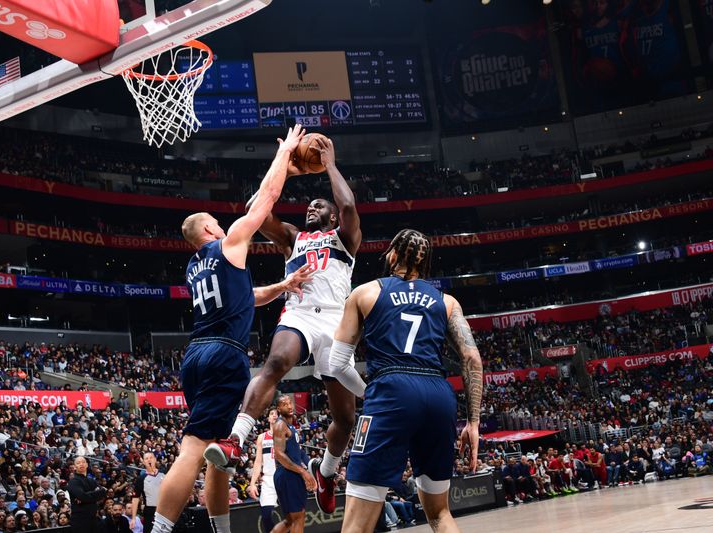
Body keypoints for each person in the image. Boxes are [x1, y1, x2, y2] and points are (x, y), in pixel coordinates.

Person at [150, 125, 310, 533]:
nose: (225, 226)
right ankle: (159, 530)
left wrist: (283, 287)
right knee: (193, 448)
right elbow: (265, 200)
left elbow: (246, 296)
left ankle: (222, 531)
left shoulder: (194, 267)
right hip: (224, 354)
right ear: (208, 230)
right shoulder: (227, 243)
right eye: (218, 223)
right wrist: (285, 154)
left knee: (216, 452)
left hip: (198, 354)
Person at [207, 136, 362, 514]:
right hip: (301, 314)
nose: (313, 207)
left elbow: (348, 204)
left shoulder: (344, 239)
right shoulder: (294, 237)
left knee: (345, 418)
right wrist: (285, 171)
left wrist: (328, 164)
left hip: (338, 325)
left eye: (319, 205)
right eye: (309, 204)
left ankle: (326, 472)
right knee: (276, 363)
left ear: (330, 216)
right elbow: (254, 210)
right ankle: (235, 439)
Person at [326, 229, 484, 533]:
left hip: (391, 389)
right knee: (439, 513)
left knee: (357, 524)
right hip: (438, 394)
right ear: (425, 264)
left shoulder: (365, 292)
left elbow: (337, 363)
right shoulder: (447, 302)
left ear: (394, 256)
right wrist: (473, 423)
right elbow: (472, 359)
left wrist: (369, 393)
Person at [270, 395, 315, 533]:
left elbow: (299, 451)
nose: (289, 406)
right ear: (278, 408)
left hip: (289, 474)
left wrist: (311, 465)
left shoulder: (290, 425)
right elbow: (279, 454)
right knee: (298, 517)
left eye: (290, 402)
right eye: (284, 404)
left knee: (290, 520)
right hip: (288, 475)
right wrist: (303, 471)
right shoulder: (280, 425)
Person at [247, 409, 279, 533]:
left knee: (291, 515)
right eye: (272, 413)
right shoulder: (262, 437)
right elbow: (258, 462)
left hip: (284, 477)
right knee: (266, 515)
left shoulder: (287, 434)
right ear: (268, 419)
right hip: (268, 478)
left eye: (277, 413)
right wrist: (252, 483)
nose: (275, 415)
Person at [66, 457, 106, 533]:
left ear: (87, 465)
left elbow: (103, 493)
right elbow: (83, 496)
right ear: (74, 467)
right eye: (78, 463)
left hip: (93, 519)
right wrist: (93, 495)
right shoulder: (73, 482)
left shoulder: (91, 480)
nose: (81, 464)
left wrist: (86, 497)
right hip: (80, 521)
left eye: (83, 462)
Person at [131, 453, 163, 533]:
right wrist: (133, 518)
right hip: (150, 511)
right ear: (144, 462)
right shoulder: (141, 479)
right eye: (146, 458)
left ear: (155, 460)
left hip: (165, 510)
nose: (149, 460)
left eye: (151, 457)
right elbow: (135, 499)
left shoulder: (164, 474)